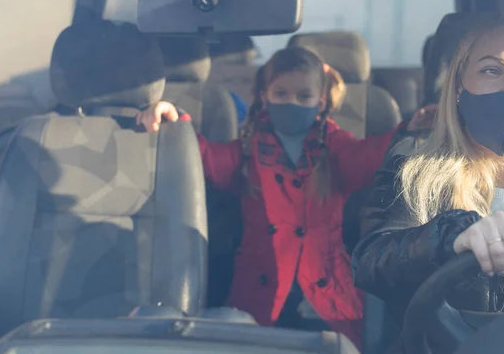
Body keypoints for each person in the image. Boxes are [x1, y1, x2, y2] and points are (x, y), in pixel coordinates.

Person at [136, 46, 435, 349]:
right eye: (281, 94)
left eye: (303, 96)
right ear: (264, 97)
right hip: (258, 293)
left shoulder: (333, 145)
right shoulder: (248, 147)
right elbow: (206, 160)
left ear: (320, 103)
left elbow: (369, 157)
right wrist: (176, 125)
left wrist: (408, 132)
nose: (291, 103)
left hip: (325, 291)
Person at [351, 8, 504, 339]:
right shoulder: (413, 166)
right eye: (492, 70)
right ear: (458, 87)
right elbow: (371, 261)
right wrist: (450, 237)